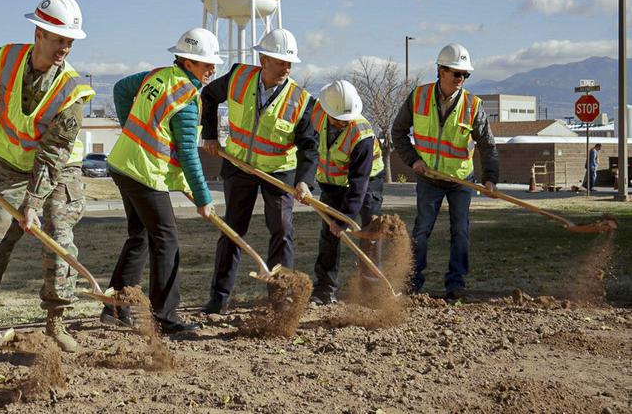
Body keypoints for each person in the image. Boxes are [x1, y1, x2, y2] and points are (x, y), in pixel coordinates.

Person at [0, 0, 94, 353]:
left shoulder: (72, 90)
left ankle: (56, 319)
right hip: (10, 168)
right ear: (39, 32)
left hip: (58, 173)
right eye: (59, 39)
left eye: (70, 42)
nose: (65, 48)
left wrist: (33, 203)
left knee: (57, 237)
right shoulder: (3, 59)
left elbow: (54, 153)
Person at [101, 28, 221, 334]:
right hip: (143, 173)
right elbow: (190, 156)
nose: (211, 68)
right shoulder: (186, 100)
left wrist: (132, 126)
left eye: (212, 63)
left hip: (122, 163)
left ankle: (116, 307)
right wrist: (204, 199)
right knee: (166, 240)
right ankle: (165, 317)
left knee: (140, 236)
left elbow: (120, 88)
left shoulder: (157, 75)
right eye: (204, 62)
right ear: (186, 61)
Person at [199, 28, 318, 314]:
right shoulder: (239, 77)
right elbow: (209, 95)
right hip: (239, 166)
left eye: (289, 64)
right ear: (263, 59)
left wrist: (304, 182)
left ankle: (281, 300)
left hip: (278, 172)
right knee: (232, 230)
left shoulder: (301, 101)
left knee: (282, 230)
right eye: (280, 62)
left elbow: (309, 147)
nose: (286, 69)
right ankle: (219, 298)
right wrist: (211, 135)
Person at [391, 43, 498, 302]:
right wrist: (414, 161)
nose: (461, 79)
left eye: (465, 74)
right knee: (421, 231)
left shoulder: (473, 105)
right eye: (456, 73)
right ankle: (413, 283)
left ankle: (455, 285)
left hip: (460, 180)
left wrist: (490, 178)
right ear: (440, 70)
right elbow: (398, 132)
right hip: (429, 178)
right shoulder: (419, 97)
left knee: (460, 231)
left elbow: (487, 145)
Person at [310, 80, 386, 305]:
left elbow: (358, 184)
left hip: (367, 182)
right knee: (328, 236)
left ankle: (370, 291)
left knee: (370, 233)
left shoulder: (362, 135)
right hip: (332, 183)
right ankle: (324, 290)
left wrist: (344, 220)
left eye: (346, 120)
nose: (343, 124)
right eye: (338, 120)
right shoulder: (315, 114)